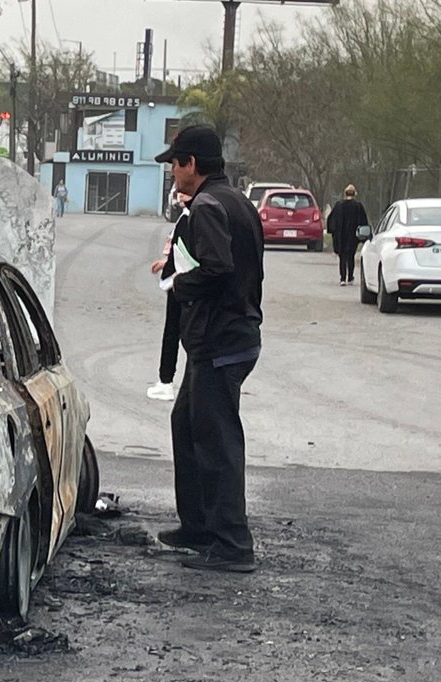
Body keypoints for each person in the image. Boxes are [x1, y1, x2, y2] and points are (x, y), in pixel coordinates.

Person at [151, 125, 265, 573]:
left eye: (175, 164)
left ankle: (233, 545)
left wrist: (179, 281)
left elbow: (217, 269)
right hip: (224, 339)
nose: (172, 173)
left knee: (217, 442)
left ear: (192, 165)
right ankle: (198, 526)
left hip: (222, 341)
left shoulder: (208, 206)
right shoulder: (235, 201)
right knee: (187, 424)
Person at [147, 191, 192, 401]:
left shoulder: (192, 217)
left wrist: (171, 269)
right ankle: (166, 380)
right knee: (175, 332)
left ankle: (166, 382)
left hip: (180, 282)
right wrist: (165, 263)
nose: (179, 195)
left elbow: (187, 254)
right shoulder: (186, 216)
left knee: (175, 332)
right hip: (177, 278)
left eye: (184, 191)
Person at [326, 184, 369, 286]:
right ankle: (350, 277)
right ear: (354, 194)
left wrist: (333, 232)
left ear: (345, 194)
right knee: (351, 256)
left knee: (342, 257)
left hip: (341, 236)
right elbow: (363, 222)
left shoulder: (338, 205)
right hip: (352, 236)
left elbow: (331, 220)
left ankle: (342, 278)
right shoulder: (358, 206)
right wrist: (363, 236)